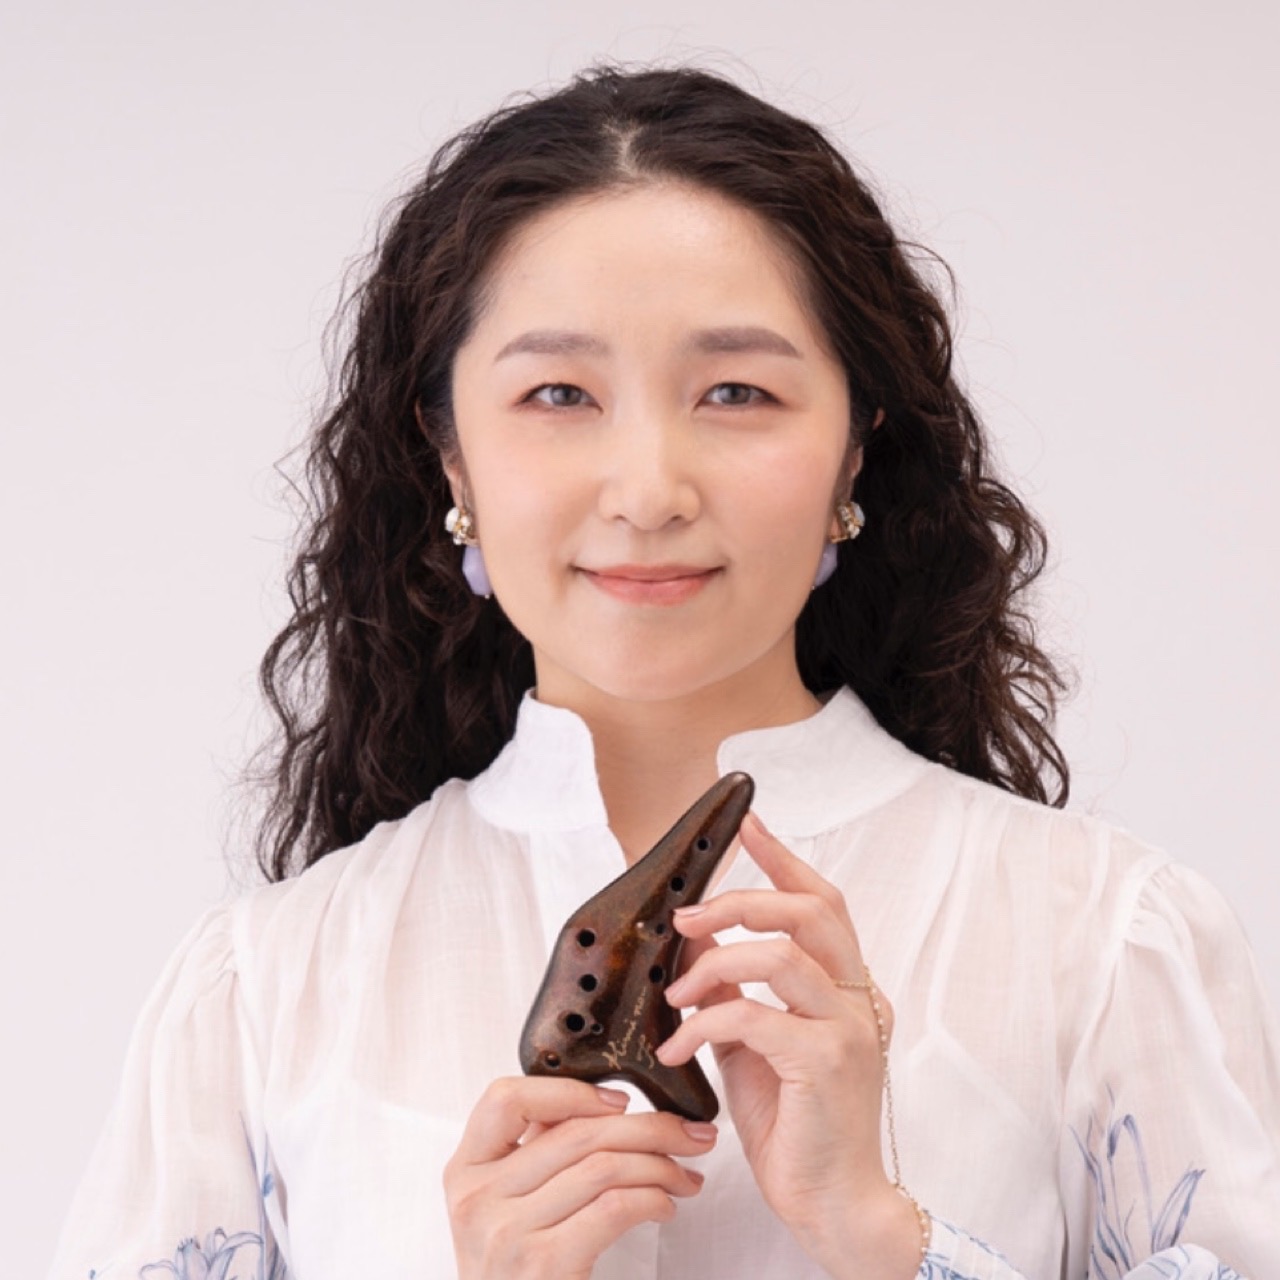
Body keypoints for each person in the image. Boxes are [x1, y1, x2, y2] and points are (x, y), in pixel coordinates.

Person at [50, 64, 1280, 1280]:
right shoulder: (264, 989)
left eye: (736, 391)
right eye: (557, 393)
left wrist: (881, 1238)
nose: (647, 490)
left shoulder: (1102, 943)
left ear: (856, 447)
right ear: (450, 457)